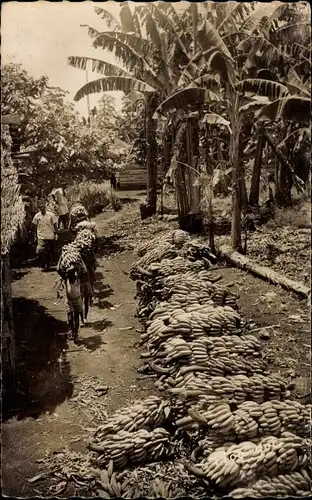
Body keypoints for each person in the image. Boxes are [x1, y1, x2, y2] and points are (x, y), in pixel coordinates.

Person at [32, 200, 58, 270]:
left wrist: (56, 234)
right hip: (41, 235)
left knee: (48, 251)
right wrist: (35, 236)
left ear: (45, 207)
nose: (42, 208)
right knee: (40, 250)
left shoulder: (51, 215)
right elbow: (34, 227)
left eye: (43, 207)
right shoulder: (37, 216)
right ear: (39, 208)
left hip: (50, 235)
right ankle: (43, 263)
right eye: (41, 207)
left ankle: (47, 264)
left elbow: (55, 225)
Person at [63, 266, 84, 342]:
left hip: (77, 300)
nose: (67, 273)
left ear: (73, 273)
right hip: (69, 301)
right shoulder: (66, 278)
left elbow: (84, 270)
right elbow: (58, 269)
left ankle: (75, 335)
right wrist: (62, 257)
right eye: (67, 272)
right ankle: (73, 330)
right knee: (70, 319)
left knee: (76, 318)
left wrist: (80, 261)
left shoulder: (77, 278)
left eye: (69, 272)